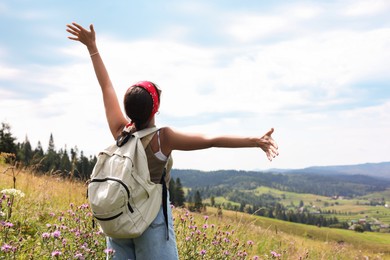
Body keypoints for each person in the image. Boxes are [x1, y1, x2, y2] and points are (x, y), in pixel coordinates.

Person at [66, 22, 279, 260]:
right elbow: (211, 140)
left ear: (128, 109)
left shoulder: (120, 132)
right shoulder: (162, 138)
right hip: (150, 223)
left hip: (119, 218)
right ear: (154, 109)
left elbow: (106, 86)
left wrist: (92, 47)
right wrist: (254, 140)